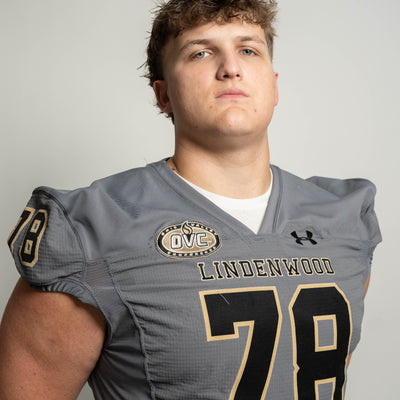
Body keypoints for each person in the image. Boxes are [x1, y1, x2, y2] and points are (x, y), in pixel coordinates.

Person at [0, 0, 381, 399]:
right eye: (200, 52)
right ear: (163, 94)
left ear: (274, 85)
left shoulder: (342, 218)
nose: (230, 67)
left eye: (248, 50)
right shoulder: (93, 229)